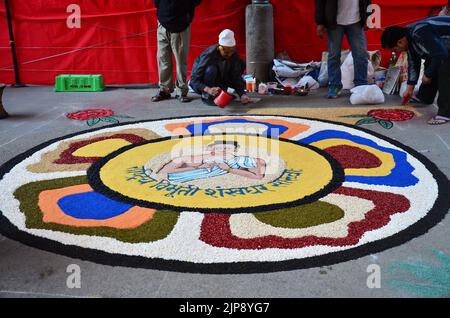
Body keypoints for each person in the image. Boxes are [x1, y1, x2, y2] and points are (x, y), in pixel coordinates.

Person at [381, 17, 450, 125]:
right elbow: (413, 63)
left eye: (395, 50)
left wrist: (428, 74)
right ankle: (425, 96)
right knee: (431, 61)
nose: (397, 52)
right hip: (444, 49)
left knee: (444, 69)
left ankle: (445, 113)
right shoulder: (408, 37)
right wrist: (410, 88)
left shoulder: (420, 34)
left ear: (400, 42)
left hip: (445, 51)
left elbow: (441, 55)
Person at [315, 0, 372, 98]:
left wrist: (368, 16)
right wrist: (320, 22)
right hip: (334, 21)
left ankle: (361, 84)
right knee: (334, 55)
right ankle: (334, 85)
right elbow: (320, 2)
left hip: (356, 20)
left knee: (361, 55)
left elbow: (367, 0)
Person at [151, 0, 201, 103]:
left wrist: (186, 17)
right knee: (163, 59)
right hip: (163, 22)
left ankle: (181, 91)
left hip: (180, 25)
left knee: (180, 61)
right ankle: (164, 90)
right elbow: (156, 2)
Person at [190, 29, 251, 106]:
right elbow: (194, 80)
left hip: (219, 82)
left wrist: (242, 94)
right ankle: (208, 96)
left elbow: (236, 77)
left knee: (241, 63)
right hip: (204, 85)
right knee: (211, 70)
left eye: (231, 51)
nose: (229, 55)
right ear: (220, 48)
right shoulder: (209, 55)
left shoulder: (233, 54)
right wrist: (208, 89)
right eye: (226, 52)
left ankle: (221, 92)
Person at [156, 141, 266, 183]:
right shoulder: (190, 158)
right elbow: (166, 171)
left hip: (185, 171)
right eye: (219, 148)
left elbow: (259, 173)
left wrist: (230, 169)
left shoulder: (235, 160)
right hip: (183, 169)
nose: (222, 150)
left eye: (226, 148)